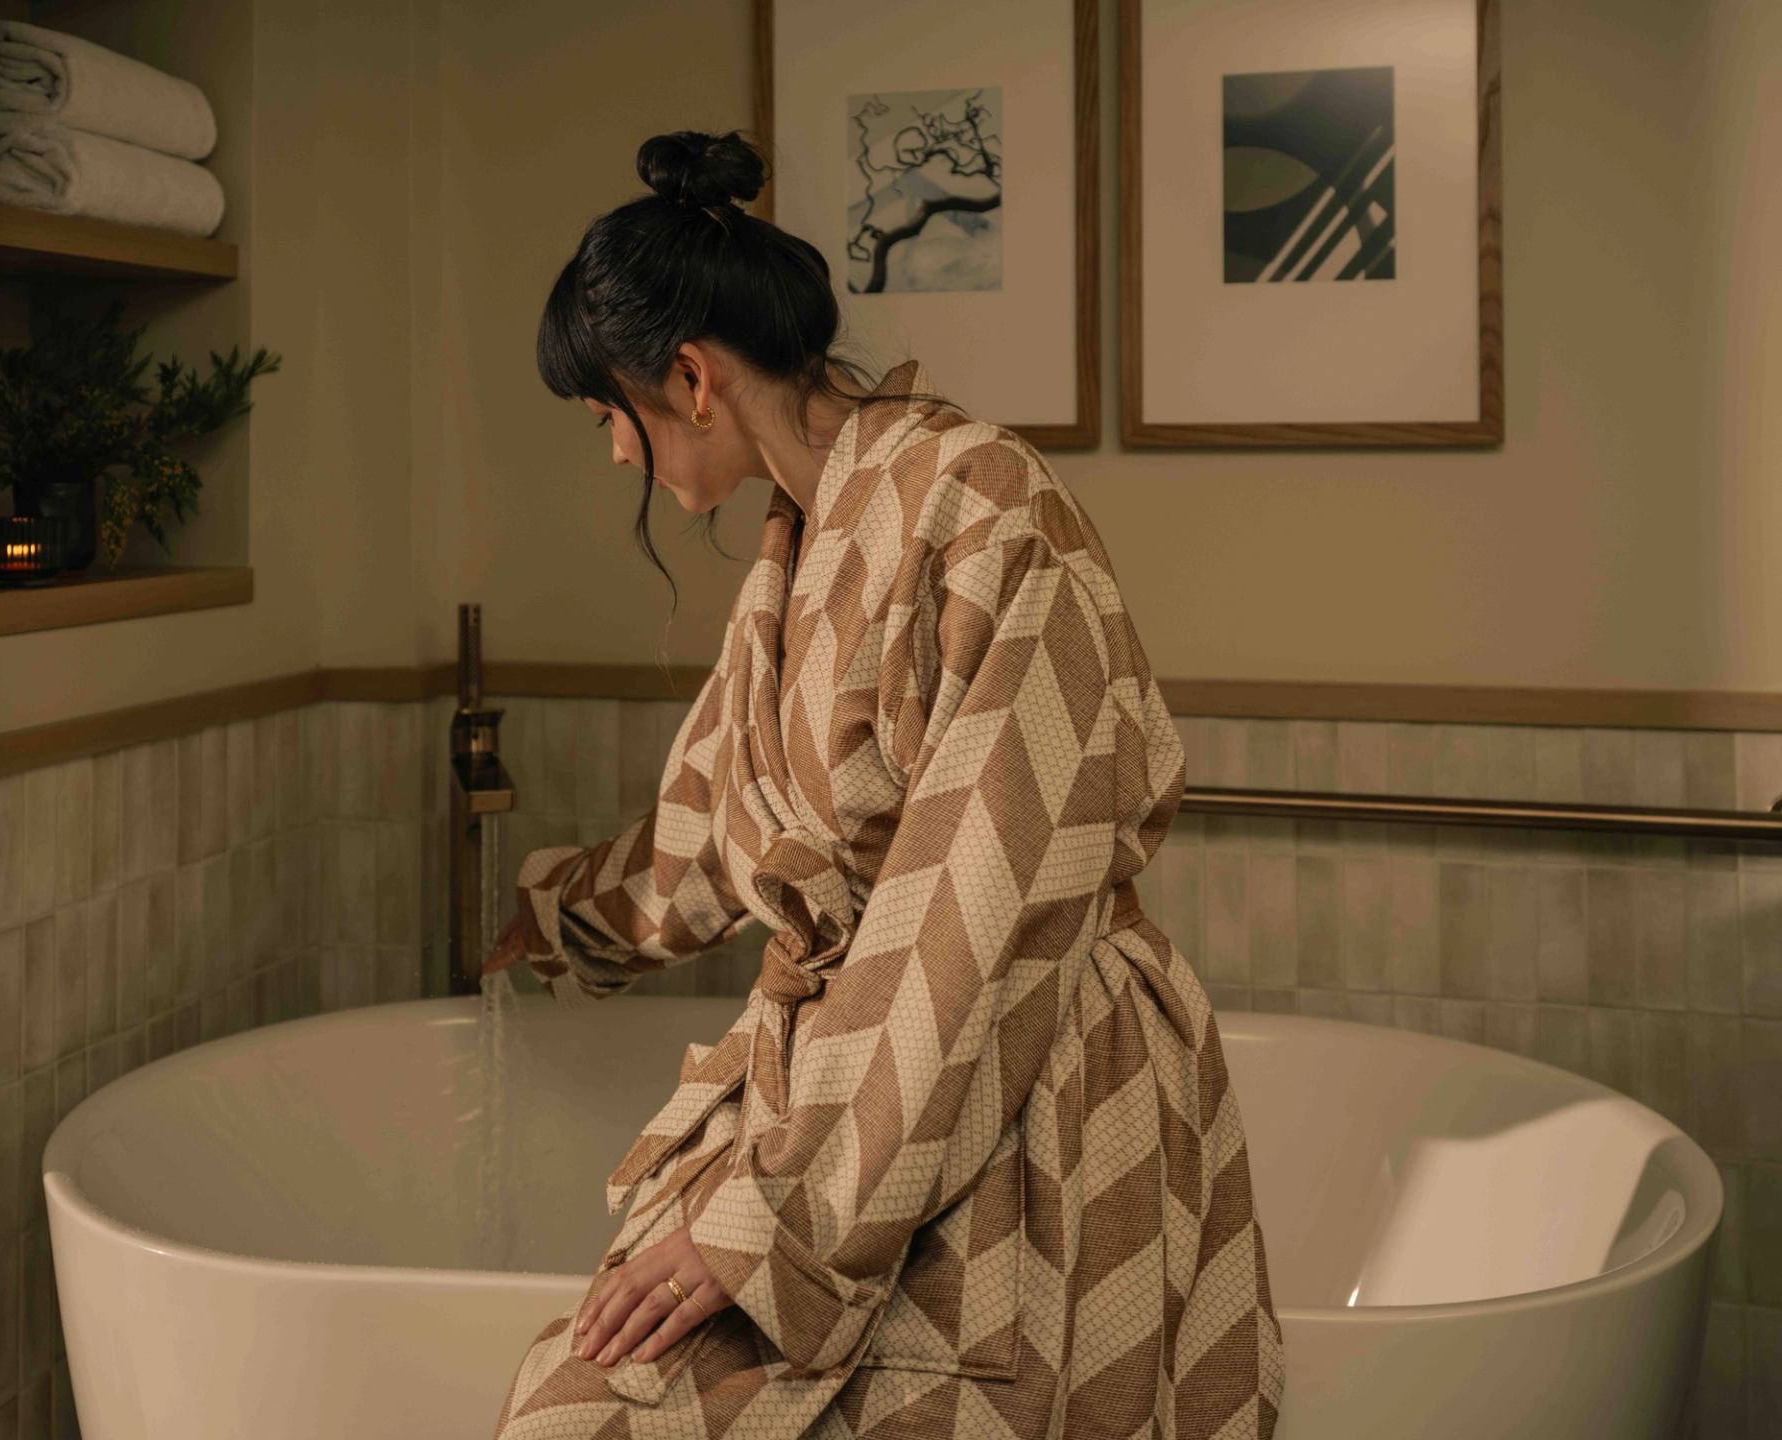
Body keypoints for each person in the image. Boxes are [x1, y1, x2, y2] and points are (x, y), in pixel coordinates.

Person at [485, 127, 1284, 1440]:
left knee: (590, 1417)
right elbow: (720, 827)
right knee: (572, 1393)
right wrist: (559, 919)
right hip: (873, 1106)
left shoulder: (984, 506)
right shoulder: (800, 544)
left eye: (605, 420)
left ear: (687, 379)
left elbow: (972, 921)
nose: (616, 460)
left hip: (1012, 1094)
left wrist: (764, 1227)